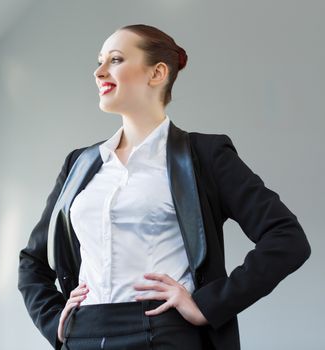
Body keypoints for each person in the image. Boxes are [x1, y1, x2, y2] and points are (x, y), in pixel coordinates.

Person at [17, 24, 311, 350]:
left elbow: (286, 238)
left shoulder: (204, 156)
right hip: (84, 331)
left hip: (162, 333)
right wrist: (53, 320)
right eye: (99, 61)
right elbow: (33, 260)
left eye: (115, 60)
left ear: (157, 73)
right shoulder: (80, 163)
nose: (99, 72)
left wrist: (207, 305)